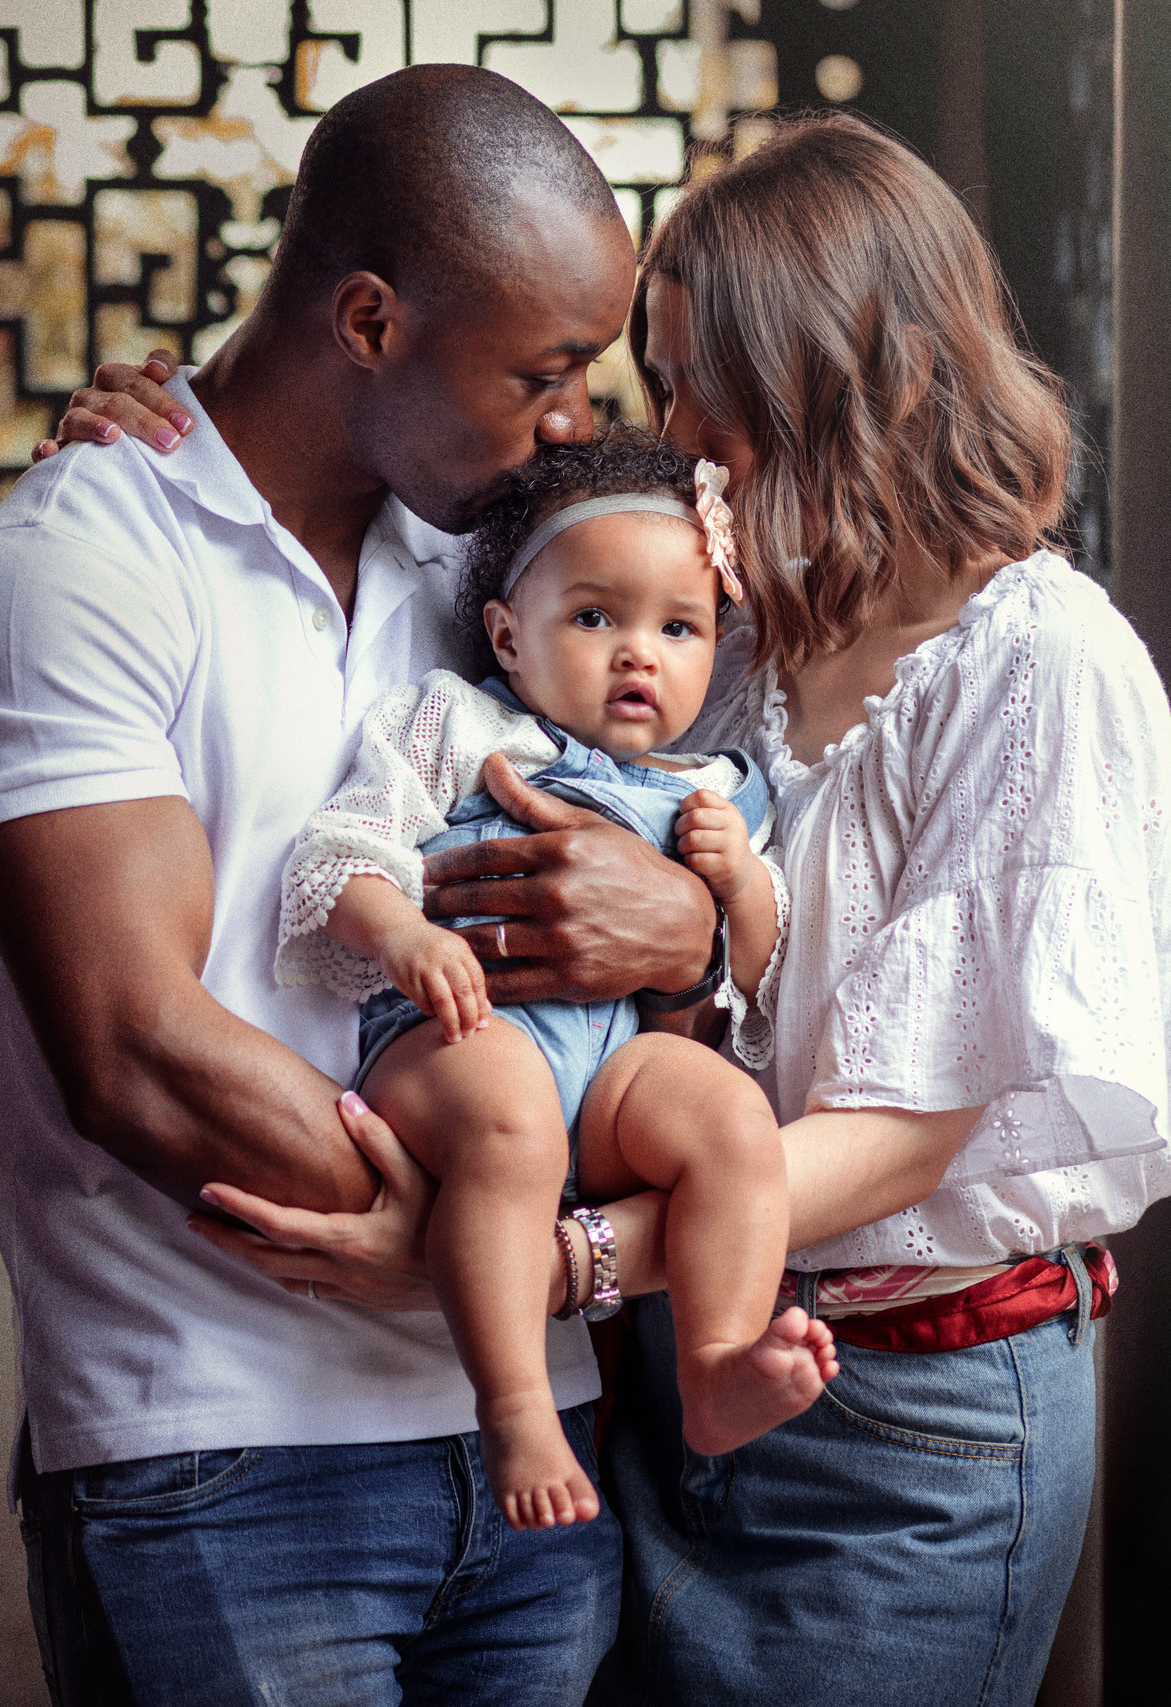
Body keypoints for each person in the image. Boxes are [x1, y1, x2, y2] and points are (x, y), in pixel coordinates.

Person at [43, 110, 1171, 1707]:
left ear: (845, 377)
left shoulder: (1042, 664)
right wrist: (163, 440)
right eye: (656, 381)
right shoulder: (741, 634)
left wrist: (543, 1258)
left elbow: (908, 1132)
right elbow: (416, 518)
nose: (670, 433)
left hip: (904, 1415)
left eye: (696, 382)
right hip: (676, 1377)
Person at [0, 64, 739, 1707]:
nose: (574, 420)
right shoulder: (75, 568)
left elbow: (675, 799)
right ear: (370, 320)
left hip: (536, 1440)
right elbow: (134, 1049)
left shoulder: (495, 567)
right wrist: (486, 1243)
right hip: (222, 1446)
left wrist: (701, 924)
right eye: (545, 372)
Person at [279, 428, 835, 1533]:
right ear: (508, 635)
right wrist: (405, 937)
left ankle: (717, 1364)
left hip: (613, 1066)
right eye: (593, 618)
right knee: (515, 1125)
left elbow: (759, 965)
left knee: (732, 1121)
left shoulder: (717, 788)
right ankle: (517, 1404)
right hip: (459, 1036)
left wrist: (738, 883)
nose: (638, 656)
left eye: (677, 628)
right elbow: (338, 855)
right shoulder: (459, 723)